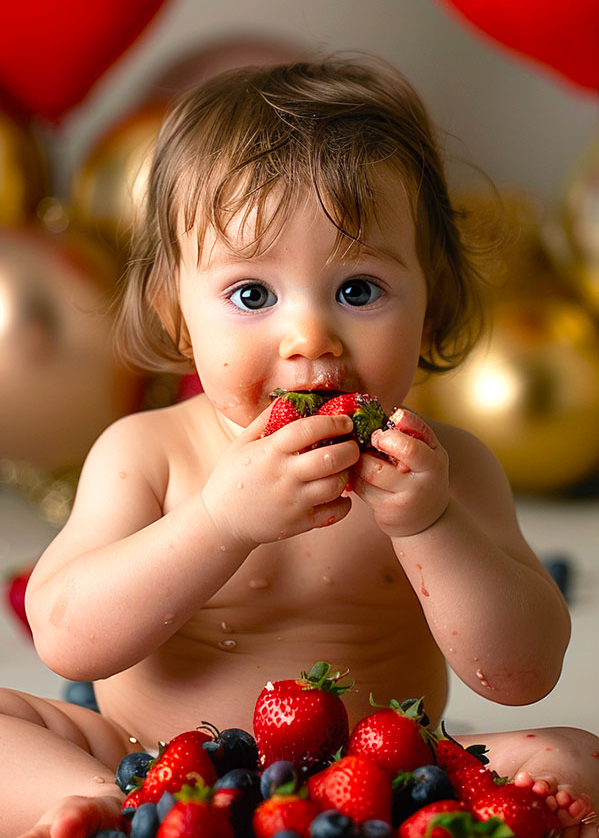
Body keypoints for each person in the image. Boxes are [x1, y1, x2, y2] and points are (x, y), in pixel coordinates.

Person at [4, 60, 597, 838]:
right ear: (177, 316)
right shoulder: (145, 452)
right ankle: (97, 805)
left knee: (569, 754)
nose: (309, 336)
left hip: (385, 777)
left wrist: (432, 524)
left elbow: (519, 674)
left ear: (432, 303)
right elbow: (69, 639)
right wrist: (220, 520)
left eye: (359, 290)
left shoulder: (448, 469)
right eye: (252, 295)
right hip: (152, 763)